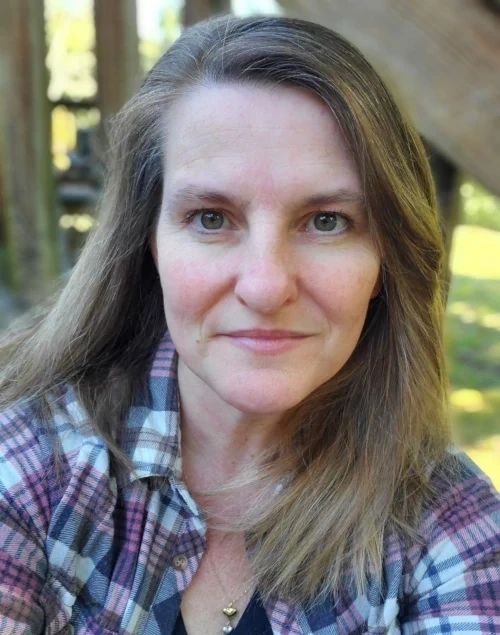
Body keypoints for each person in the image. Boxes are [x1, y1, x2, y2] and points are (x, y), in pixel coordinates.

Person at [0, 14, 499, 635]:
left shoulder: (449, 526)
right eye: (211, 218)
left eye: (327, 221)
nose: (265, 287)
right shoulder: (30, 467)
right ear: (148, 243)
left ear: (387, 260)